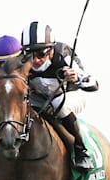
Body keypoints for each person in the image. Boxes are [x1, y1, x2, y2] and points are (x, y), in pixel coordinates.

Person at [20, 21, 98, 170]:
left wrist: (77, 78)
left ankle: (81, 150)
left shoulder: (64, 54)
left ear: (51, 50)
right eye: (30, 54)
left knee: (58, 105)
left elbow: (94, 84)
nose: (35, 60)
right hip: (40, 99)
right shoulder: (21, 60)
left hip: (70, 95)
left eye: (41, 54)